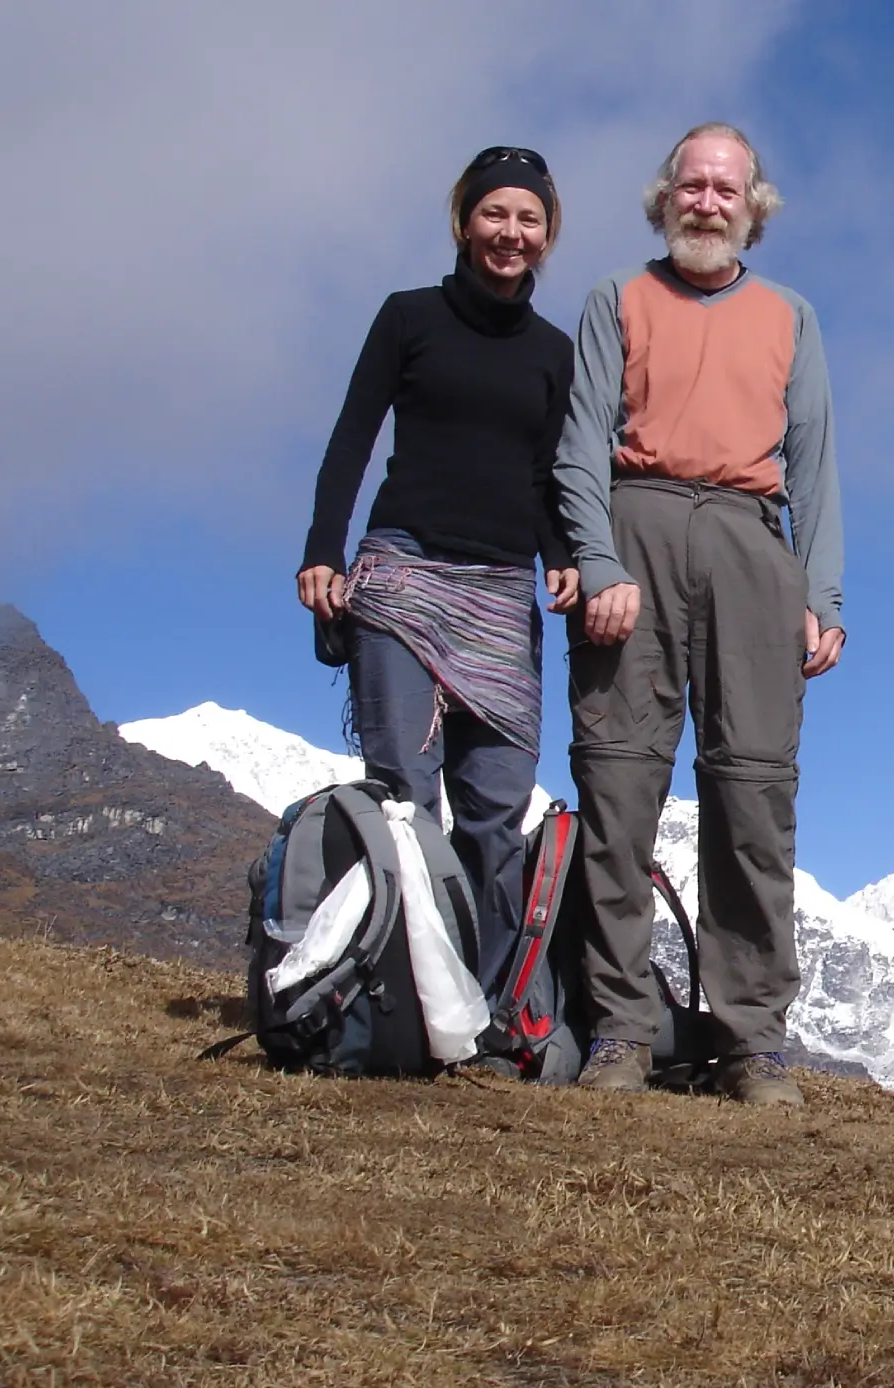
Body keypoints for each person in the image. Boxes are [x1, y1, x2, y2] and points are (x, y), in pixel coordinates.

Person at [553, 122, 845, 1105]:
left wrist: (821, 591)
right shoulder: (617, 299)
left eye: (726, 189)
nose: (706, 201)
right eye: (692, 184)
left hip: (749, 545)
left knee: (753, 792)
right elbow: (580, 444)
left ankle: (750, 1040)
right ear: (665, 196)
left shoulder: (790, 316)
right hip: (631, 538)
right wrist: (594, 562)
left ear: (752, 206)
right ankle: (621, 1031)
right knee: (617, 784)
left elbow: (812, 465)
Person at [299, 146, 579, 1013]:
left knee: (496, 809)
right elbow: (353, 434)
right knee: (405, 803)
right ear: (464, 223)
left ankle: (493, 1016)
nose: (510, 232)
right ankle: (402, 1005)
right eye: (496, 214)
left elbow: (542, 476)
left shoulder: (553, 352)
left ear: (546, 236)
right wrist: (321, 549)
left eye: (528, 219)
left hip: (501, 593)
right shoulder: (408, 318)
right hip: (403, 575)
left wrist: (564, 553)